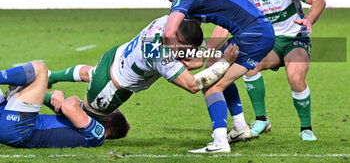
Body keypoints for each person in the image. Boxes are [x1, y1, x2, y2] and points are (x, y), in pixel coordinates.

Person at [154, 0, 275, 153]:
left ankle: (220, 142)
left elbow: (169, 33)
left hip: (253, 34)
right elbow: (198, 31)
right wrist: (202, 56)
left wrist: (174, 61)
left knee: (210, 84)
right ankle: (240, 127)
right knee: (215, 68)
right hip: (257, 31)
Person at [48, 16, 239, 121]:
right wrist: (225, 62)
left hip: (113, 57)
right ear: (179, 41)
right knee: (82, 119)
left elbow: (195, 58)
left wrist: (199, 56)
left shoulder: (169, 21)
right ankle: (44, 95)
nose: (189, 54)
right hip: (111, 89)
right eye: (187, 50)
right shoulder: (158, 54)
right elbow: (192, 86)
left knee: (91, 72)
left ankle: (51, 76)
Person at [239, 0, 326, 140]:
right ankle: (261, 120)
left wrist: (309, 19)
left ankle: (306, 128)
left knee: (295, 77)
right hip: (270, 43)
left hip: (295, 39)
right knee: (249, 66)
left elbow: (318, 1)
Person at [0, 62, 130, 148]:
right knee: (35, 77)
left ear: (109, 118)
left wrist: (67, 97)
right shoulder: (78, 121)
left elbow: (67, 106)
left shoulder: (98, 135)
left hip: (19, 130)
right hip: (8, 119)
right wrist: (25, 89)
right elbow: (54, 102)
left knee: (40, 70)